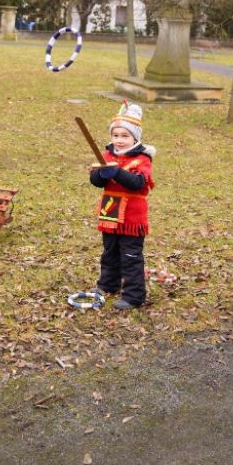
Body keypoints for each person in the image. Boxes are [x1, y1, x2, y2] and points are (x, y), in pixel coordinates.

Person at [89, 101, 156, 310]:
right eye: (115, 135)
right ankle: (108, 284)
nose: (119, 140)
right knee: (109, 251)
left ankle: (134, 296)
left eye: (125, 136)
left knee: (130, 255)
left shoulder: (142, 158)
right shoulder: (107, 155)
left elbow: (138, 183)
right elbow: (96, 181)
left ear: (135, 137)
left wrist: (117, 172)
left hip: (132, 216)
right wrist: (100, 174)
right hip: (110, 210)